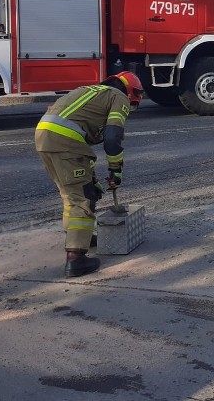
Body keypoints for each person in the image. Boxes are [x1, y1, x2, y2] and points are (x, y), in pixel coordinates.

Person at [34, 71, 144, 277]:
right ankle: (76, 258)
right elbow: (112, 138)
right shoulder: (118, 97)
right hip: (65, 141)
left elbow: (80, 136)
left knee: (72, 193)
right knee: (84, 199)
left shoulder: (91, 92)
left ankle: (77, 237)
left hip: (44, 137)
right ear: (132, 94)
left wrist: (91, 177)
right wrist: (115, 169)